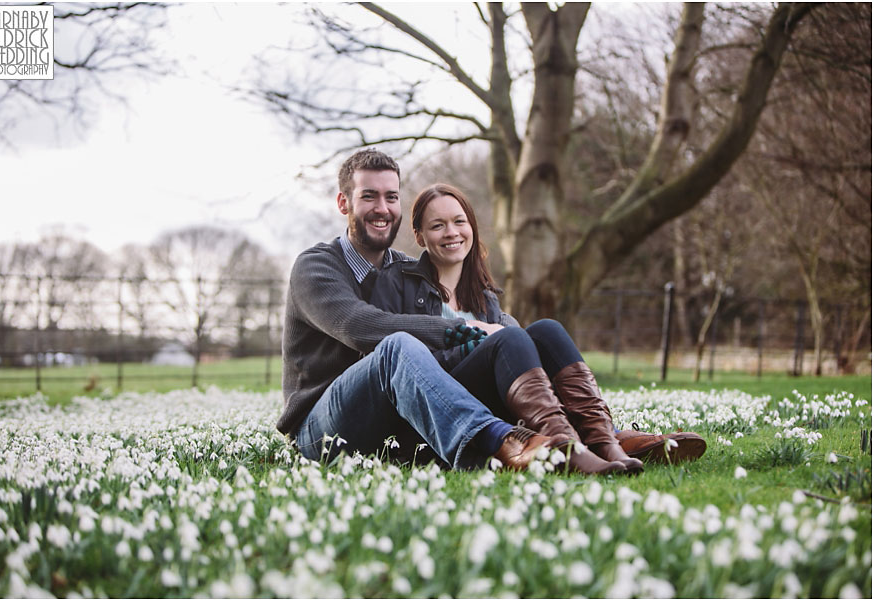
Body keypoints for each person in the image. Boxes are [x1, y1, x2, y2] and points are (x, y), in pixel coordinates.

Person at [275, 149, 625, 475]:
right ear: (343, 202)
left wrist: (510, 335)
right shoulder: (316, 266)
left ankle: (602, 437)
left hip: (391, 419)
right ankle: (503, 442)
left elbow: (492, 328)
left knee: (542, 331)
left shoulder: (405, 269)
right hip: (321, 427)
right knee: (397, 346)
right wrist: (459, 329)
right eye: (369, 196)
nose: (382, 208)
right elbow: (358, 325)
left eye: (391, 197)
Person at [369, 183, 706, 469]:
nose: (452, 232)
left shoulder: (484, 298)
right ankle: (574, 449)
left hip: (494, 405)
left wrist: (502, 345)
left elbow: (520, 356)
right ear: (420, 235)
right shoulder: (397, 283)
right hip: (442, 410)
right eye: (438, 225)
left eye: (459, 221)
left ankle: (604, 441)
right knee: (511, 338)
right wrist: (475, 345)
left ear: (472, 226)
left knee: (546, 330)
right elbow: (400, 368)